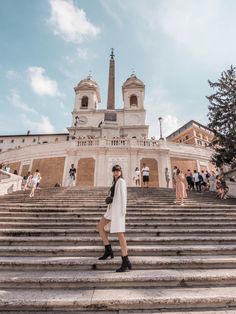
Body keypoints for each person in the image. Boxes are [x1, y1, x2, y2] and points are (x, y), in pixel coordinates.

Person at [96, 164, 131, 272]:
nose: (116, 172)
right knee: (100, 227)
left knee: (120, 235)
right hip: (110, 210)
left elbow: (124, 198)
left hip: (117, 212)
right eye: (114, 171)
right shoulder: (114, 182)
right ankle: (108, 250)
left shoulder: (121, 182)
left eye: (117, 171)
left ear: (120, 172)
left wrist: (122, 213)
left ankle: (126, 261)